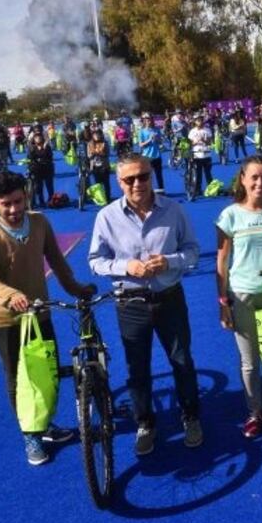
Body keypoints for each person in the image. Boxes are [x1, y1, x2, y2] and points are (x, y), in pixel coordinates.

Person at [0, 171, 96, 465]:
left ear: (26, 196)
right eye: (6, 204)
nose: (14, 209)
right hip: (7, 319)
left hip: (39, 312)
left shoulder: (39, 222)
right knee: (19, 379)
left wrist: (76, 288)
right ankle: (30, 434)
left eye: (18, 201)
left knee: (46, 373)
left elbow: (57, 261)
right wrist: (11, 295)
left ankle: (43, 423)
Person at [87, 154, 203, 455]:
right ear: (119, 182)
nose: (137, 183)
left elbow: (192, 251)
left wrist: (169, 261)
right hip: (131, 303)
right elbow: (95, 261)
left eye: (143, 176)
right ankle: (145, 423)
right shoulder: (106, 217)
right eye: (130, 179)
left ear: (151, 176)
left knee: (182, 361)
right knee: (137, 367)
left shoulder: (173, 210)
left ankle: (191, 416)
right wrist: (126, 266)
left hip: (169, 298)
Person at [215, 156, 262, 438]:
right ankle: (254, 411)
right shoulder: (230, 215)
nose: (260, 183)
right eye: (254, 177)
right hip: (242, 294)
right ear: (243, 180)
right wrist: (223, 302)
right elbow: (222, 261)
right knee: (250, 361)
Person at [137, 113, 166, 194]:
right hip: (147, 156)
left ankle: (161, 191)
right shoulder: (142, 131)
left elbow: (160, 142)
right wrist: (149, 140)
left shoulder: (156, 130)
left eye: (149, 119)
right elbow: (141, 145)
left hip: (157, 155)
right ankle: (147, 192)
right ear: (144, 121)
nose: (148, 121)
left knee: (159, 175)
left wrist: (158, 139)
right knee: (147, 176)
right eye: (146, 119)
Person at [26, 131, 55, 208]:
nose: (38, 138)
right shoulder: (32, 148)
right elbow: (30, 158)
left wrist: (44, 149)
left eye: (39, 137)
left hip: (47, 169)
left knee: (49, 186)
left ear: (42, 138)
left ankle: (51, 200)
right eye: (36, 137)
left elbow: (50, 157)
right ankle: (41, 201)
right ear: (34, 139)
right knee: (39, 187)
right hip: (37, 170)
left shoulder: (47, 147)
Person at [187, 115, 214, 192]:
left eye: (201, 120)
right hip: (196, 155)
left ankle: (211, 189)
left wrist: (203, 140)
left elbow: (210, 142)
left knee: (208, 173)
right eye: (198, 120)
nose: (200, 122)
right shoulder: (192, 131)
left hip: (206, 154)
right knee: (198, 174)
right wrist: (195, 142)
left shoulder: (207, 130)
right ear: (195, 122)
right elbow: (189, 144)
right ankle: (197, 190)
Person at [87, 128, 112, 202]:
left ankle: (108, 198)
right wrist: (93, 154)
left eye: (98, 134)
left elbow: (108, 154)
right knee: (98, 183)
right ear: (93, 135)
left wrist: (101, 153)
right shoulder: (90, 144)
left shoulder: (105, 143)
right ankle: (101, 198)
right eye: (95, 135)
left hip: (104, 165)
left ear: (101, 135)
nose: (97, 136)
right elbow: (89, 155)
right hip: (95, 166)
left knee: (106, 183)